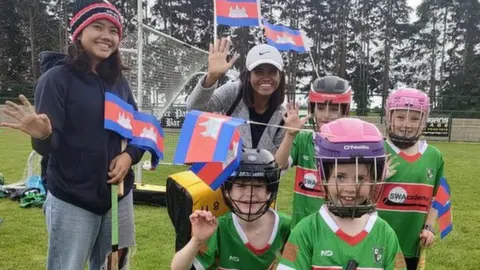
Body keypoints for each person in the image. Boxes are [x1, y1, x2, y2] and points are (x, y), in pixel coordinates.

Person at [0, 0, 143, 269]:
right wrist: (42, 135)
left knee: (115, 266)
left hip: (118, 198)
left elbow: (137, 129)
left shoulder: (118, 82)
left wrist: (129, 156)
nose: (106, 36)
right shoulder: (56, 79)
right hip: (72, 198)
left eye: (114, 31)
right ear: (78, 33)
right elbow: (48, 147)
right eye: (97, 27)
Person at [277, 118, 407, 270]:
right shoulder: (307, 231)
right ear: (324, 176)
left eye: (360, 178)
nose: (351, 188)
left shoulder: (384, 234)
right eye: (340, 177)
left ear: (374, 179)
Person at [170, 148, 291, 270]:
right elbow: (178, 268)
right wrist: (196, 241)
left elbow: (297, 260)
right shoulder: (218, 228)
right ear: (228, 192)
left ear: (269, 191)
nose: (250, 193)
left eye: (259, 186)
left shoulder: (285, 226)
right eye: (241, 186)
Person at [377, 88, 445, 270]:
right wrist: (377, 178)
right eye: (400, 117)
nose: (406, 124)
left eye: (414, 118)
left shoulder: (434, 156)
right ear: (389, 117)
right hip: (375, 241)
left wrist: (429, 227)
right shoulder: (376, 149)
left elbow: (437, 197)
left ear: (424, 121)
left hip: (411, 245)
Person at [274, 75, 352, 227]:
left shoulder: (352, 145)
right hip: (302, 230)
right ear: (312, 109)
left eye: (334, 109)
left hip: (337, 229)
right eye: (321, 108)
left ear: (344, 111)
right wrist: (290, 135)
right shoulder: (303, 139)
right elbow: (277, 166)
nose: (326, 115)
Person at [187, 38, 287, 154]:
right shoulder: (234, 91)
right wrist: (212, 76)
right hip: (226, 171)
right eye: (258, 71)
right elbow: (195, 108)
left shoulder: (283, 115)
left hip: (263, 172)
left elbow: (279, 164)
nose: (266, 77)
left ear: (280, 76)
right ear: (248, 76)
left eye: (272, 72)